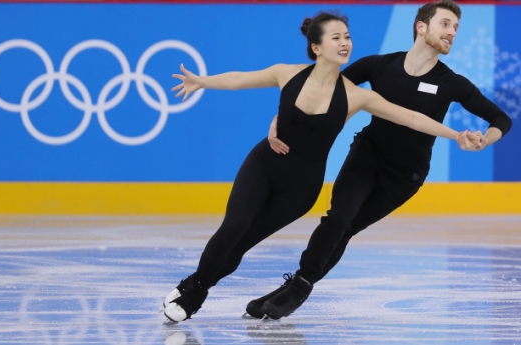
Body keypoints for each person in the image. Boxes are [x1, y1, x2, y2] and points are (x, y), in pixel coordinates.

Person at [163, 9, 483, 323]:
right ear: (317, 48)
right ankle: (194, 295)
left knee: (243, 242)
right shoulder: (286, 73)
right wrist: (201, 81)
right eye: (336, 37)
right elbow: (238, 79)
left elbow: (412, 118)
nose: (345, 42)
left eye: (347, 36)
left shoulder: (356, 96)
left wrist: (456, 134)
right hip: (265, 162)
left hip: (301, 186)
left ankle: (192, 284)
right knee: (232, 229)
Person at [248, 0, 513, 321]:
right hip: (366, 157)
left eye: (456, 27)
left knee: (345, 231)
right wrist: (282, 116)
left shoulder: (452, 83)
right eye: (445, 24)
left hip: (404, 177)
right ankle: (299, 287)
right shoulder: (378, 66)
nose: (452, 32)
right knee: (337, 219)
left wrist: (486, 139)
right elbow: (322, 87)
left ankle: (294, 287)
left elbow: (500, 118)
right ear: (421, 27)